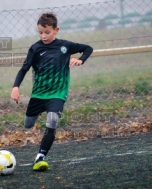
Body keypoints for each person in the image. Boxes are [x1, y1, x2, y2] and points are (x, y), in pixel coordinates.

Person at [10, 12, 93, 171]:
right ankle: (38, 116)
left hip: (57, 94)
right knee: (28, 125)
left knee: (52, 120)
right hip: (38, 95)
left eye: (47, 32)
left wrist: (80, 59)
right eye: (40, 32)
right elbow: (24, 69)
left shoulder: (65, 46)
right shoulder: (35, 48)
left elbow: (88, 48)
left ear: (56, 30)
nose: (43, 35)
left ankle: (40, 157)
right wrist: (15, 87)